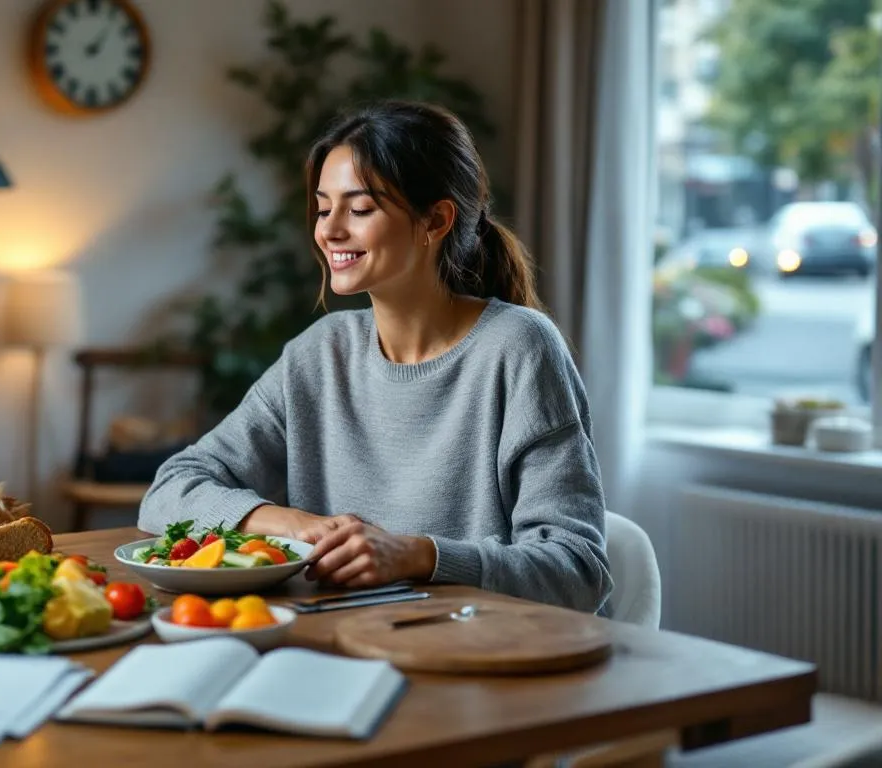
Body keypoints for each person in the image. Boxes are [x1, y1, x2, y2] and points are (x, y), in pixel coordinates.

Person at [138, 100, 611, 613]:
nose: (329, 231)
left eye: (359, 209)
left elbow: (578, 570)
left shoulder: (519, 348)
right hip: (346, 638)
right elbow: (170, 490)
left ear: (435, 221)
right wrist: (298, 525)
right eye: (323, 209)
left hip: (484, 649)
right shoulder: (319, 354)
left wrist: (419, 556)